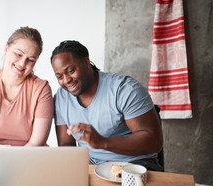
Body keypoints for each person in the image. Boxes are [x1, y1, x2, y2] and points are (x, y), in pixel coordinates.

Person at [50, 40, 163, 171]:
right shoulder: (61, 98)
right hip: (90, 166)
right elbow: (65, 144)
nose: (66, 80)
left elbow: (154, 142)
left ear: (86, 63)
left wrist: (103, 143)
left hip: (133, 165)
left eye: (70, 71)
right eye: (59, 77)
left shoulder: (125, 90)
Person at [0, 27, 53, 154]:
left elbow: (36, 142)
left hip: (29, 158)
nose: (22, 64)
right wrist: (0, 151)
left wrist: (13, 159)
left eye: (31, 60)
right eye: (18, 54)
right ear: (6, 49)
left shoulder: (41, 89)